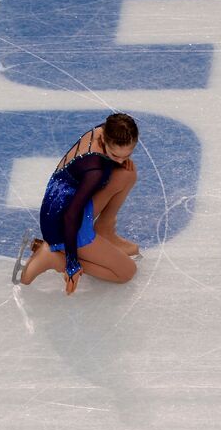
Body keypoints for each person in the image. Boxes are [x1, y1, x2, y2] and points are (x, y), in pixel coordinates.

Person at [14, 112, 140, 295]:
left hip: (62, 205)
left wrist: (119, 159)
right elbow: (71, 216)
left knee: (127, 174)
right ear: (104, 140)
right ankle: (52, 257)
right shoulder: (94, 171)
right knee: (127, 272)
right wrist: (71, 263)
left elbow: (75, 202)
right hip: (64, 224)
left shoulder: (104, 130)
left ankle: (105, 231)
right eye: (115, 155)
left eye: (127, 154)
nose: (121, 160)